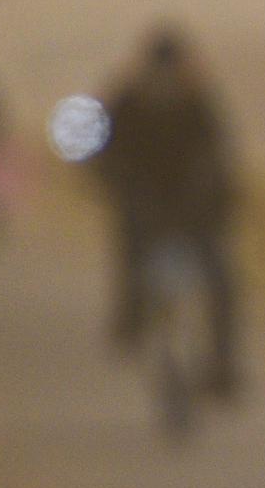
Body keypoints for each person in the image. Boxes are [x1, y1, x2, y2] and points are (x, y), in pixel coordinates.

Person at [93, 24, 241, 396]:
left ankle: (132, 321)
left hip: (168, 209)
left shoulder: (134, 97)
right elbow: (220, 158)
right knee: (219, 282)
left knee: (136, 260)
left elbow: (104, 157)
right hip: (179, 210)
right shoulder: (193, 98)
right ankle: (222, 365)